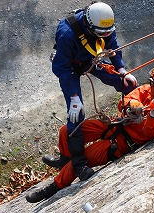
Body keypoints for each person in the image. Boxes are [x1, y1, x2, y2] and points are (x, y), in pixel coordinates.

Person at [26, 66, 154, 203]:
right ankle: (64, 158)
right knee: (67, 131)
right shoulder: (146, 90)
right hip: (114, 125)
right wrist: (131, 105)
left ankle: (54, 187)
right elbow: (124, 101)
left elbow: (150, 132)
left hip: (121, 143)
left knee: (81, 160)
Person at [48, 1, 138, 182]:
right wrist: (74, 97)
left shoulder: (103, 26)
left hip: (91, 60)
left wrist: (121, 70)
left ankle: (133, 126)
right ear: (88, 26)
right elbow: (61, 68)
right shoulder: (67, 34)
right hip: (70, 68)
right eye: (101, 33)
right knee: (76, 113)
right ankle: (77, 163)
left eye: (107, 32)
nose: (105, 35)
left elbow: (112, 44)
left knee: (128, 84)